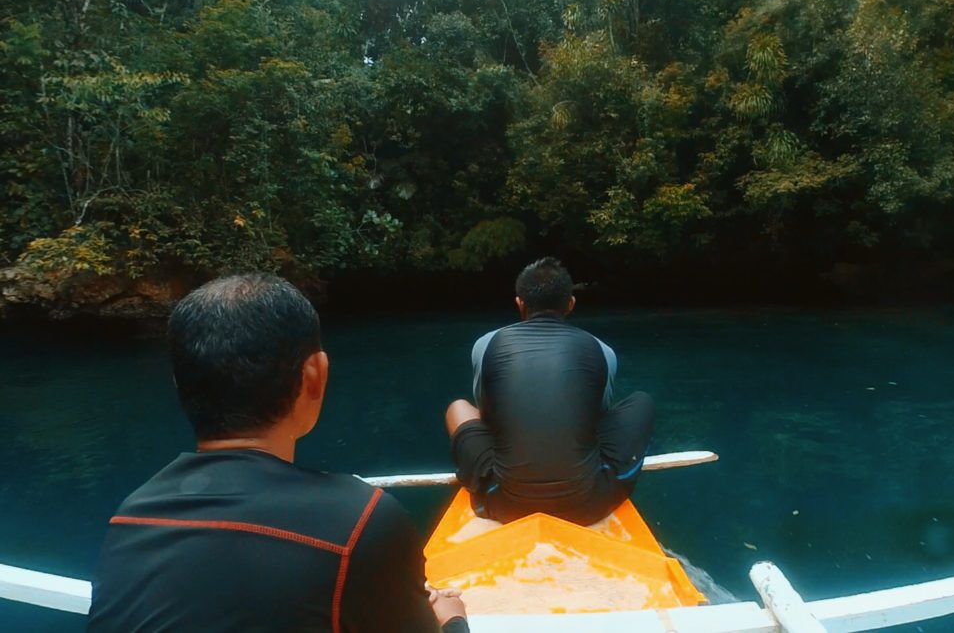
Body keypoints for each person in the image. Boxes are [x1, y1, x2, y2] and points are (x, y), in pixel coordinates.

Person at [88, 273, 468, 633]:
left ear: (180, 384)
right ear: (315, 376)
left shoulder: (130, 518)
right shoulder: (359, 523)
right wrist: (451, 621)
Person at [445, 257, 654, 526]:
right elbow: (597, 417)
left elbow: (487, 414)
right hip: (586, 505)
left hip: (504, 500)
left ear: (519, 303)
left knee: (458, 408)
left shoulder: (486, 345)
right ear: (570, 304)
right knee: (642, 402)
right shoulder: (601, 350)